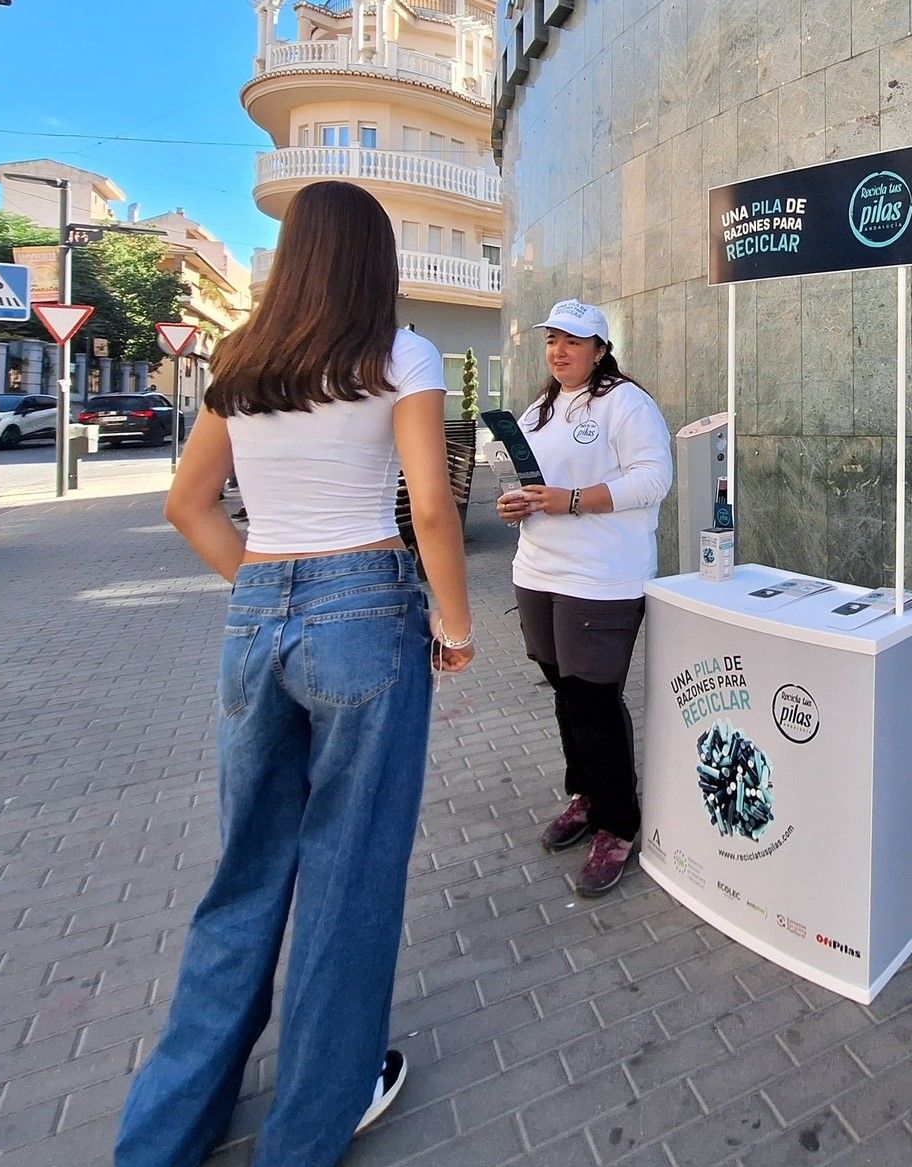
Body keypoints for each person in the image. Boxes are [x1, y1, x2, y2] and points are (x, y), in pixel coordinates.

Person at [115, 180, 475, 1167]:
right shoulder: (400, 353)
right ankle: (308, 1130)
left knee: (243, 880)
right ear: (374, 258)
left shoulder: (241, 360)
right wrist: (455, 620)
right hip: (365, 606)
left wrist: (263, 592)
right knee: (347, 880)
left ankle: (160, 1138)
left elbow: (187, 506)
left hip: (255, 611)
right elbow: (432, 509)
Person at [495, 299, 672, 897]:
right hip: (538, 570)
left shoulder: (627, 402)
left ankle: (619, 822)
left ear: (600, 348)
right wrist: (515, 503)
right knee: (565, 692)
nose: (559, 351)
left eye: (574, 340)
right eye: (552, 341)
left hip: (601, 576)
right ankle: (588, 793)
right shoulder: (539, 409)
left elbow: (652, 480)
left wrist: (569, 499)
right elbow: (526, 482)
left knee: (593, 699)